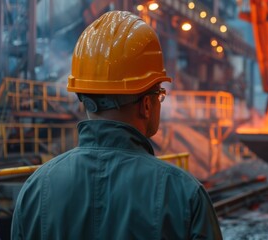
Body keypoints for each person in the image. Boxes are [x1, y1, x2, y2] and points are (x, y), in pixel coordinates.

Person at [11, 11, 223, 240]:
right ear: (146, 105)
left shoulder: (35, 190)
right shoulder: (184, 194)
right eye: (159, 95)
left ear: (84, 97)